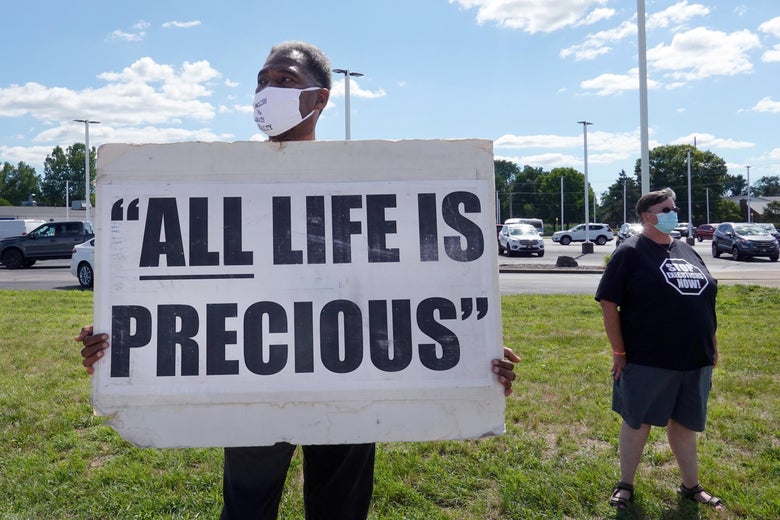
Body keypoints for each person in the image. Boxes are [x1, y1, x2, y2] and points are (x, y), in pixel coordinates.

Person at [75, 40, 521, 520]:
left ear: (320, 98)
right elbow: (181, 290)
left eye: (284, 80)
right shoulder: (216, 186)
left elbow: (416, 280)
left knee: (339, 510)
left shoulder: (366, 183)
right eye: (262, 81)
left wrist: (476, 349)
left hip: (348, 381)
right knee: (246, 509)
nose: (268, 90)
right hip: (254, 380)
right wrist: (118, 343)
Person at [595, 187, 724, 511]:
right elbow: (609, 303)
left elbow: (706, 301)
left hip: (695, 358)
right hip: (649, 357)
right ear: (647, 216)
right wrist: (619, 353)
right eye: (666, 209)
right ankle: (625, 484)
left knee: (685, 425)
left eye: (674, 207)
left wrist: (712, 344)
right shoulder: (631, 252)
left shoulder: (686, 250)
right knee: (638, 421)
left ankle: (691, 486)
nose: (673, 213)